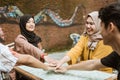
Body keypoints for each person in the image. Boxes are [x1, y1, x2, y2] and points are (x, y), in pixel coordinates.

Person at [55, 2, 120, 80]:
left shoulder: (106, 44)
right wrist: (66, 67)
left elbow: (95, 64)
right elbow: (92, 64)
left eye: (101, 26)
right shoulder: (116, 55)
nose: (88, 26)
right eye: (87, 23)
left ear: (110, 27)